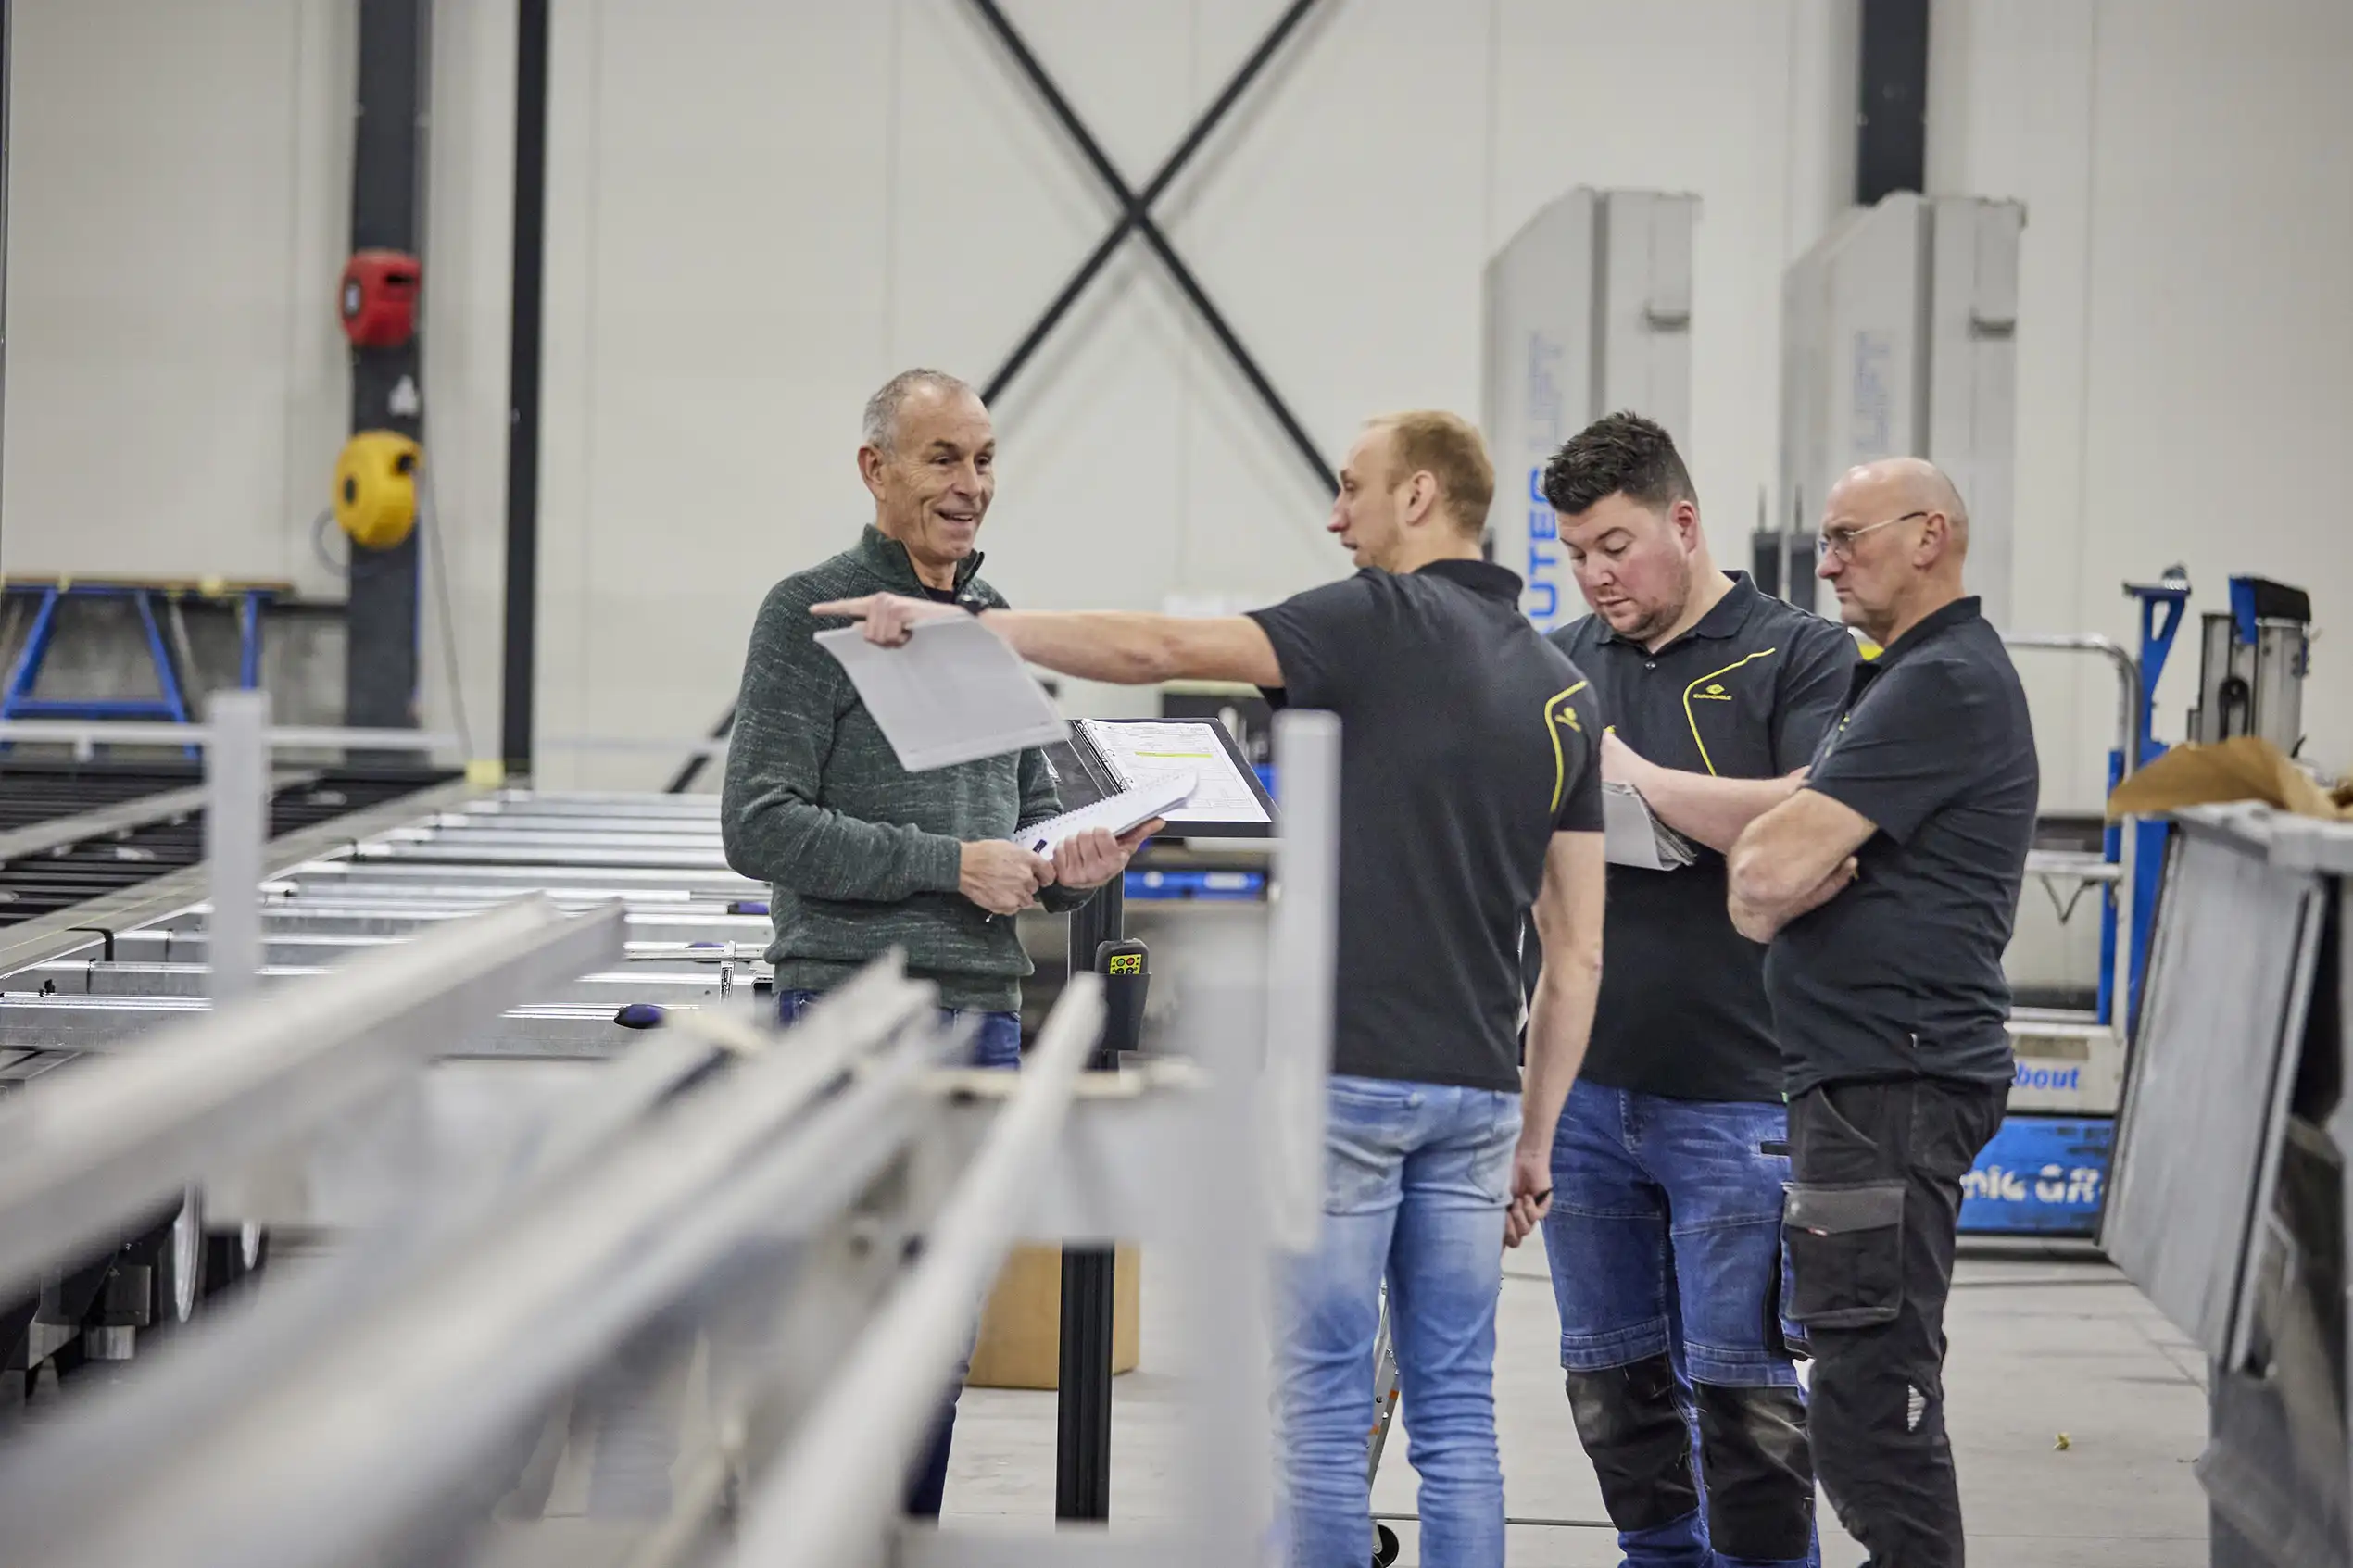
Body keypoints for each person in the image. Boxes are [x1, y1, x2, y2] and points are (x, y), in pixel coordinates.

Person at [815, 408, 1609, 1568]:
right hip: (1480, 1095)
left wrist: (967, 627)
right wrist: (1535, 1138)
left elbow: (1151, 652)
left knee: (1329, 1411)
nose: (1335, 517)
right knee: (1455, 1410)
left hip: (1348, 1077)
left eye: (1352, 489)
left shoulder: (1371, 621)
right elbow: (1576, 947)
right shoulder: (1560, 688)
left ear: (1421, 497)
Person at [719, 367, 1151, 1519]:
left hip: (982, 1021)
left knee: (937, 1340)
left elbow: (1009, 834)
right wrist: (945, 865)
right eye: (943, 459)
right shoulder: (807, 613)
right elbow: (756, 825)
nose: (971, 485)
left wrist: (1065, 871)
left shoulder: (989, 620)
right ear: (876, 470)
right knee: (838, 1332)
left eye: (985, 459)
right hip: (851, 1015)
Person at [1531, 413, 1855, 1568]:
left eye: (1614, 544)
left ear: (1682, 520)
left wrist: (1640, 783)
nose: (1595, 574)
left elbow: (1817, 818)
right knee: (1611, 1391)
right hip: (1585, 1096)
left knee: (1747, 1406)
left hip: (1738, 1095)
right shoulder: (1560, 662)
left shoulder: (1799, 655)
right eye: (1574, 552)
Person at [1726, 457, 2036, 1567]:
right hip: (1861, 1079)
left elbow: (1762, 876)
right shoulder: (1895, 676)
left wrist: (1771, 885)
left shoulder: (1940, 681)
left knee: (1870, 1398)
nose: (1826, 561)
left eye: (1849, 534)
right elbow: (1769, 857)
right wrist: (1776, 868)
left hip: (1887, 1085)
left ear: (1930, 534)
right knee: (1858, 1379)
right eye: (1822, 538)